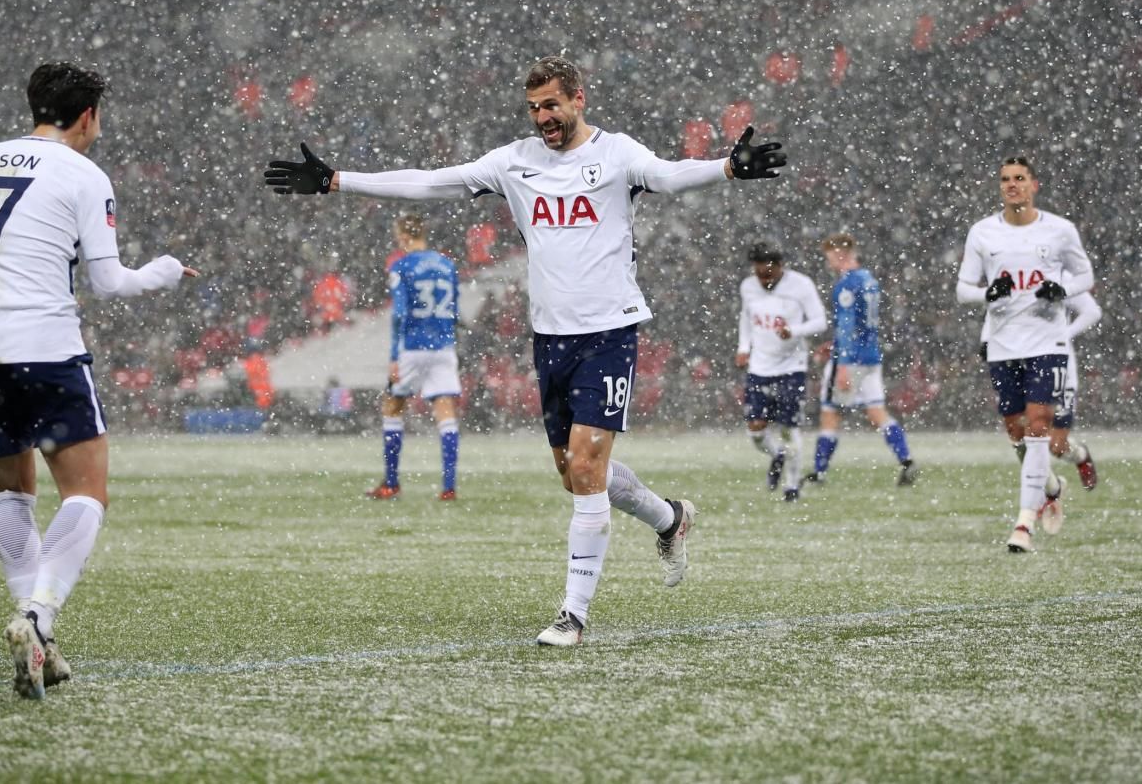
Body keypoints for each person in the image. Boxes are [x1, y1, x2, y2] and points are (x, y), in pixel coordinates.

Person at [266, 55, 787, 646]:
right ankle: (671, 518)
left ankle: (574, 614)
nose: (544, 118)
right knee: (575, 476)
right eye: (535, 108)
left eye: (552, 106)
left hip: (610, 333)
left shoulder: (617, 155)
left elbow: (667, 175)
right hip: (551, 338)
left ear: (578, 99)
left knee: (588, 469)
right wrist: (339, 180)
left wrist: (727, 168)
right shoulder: (514, 163)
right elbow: (433, 182)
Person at [0, 62, 196, 698]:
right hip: (47, 346)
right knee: (86, 492)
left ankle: (41, 641)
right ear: (87, 117)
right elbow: (111, 283)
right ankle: (37, 616)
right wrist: (162, 270)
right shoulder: (85, 173)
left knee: (13, 490)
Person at [956, 156, 1094, 553]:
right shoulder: (982, 233)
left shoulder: (1059, 230)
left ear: (1034, 184)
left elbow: (1085, 275)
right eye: (1005, 179)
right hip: (1003, 344)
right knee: (1016, 432)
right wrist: (987, 293)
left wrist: (1062, 290)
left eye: (1019, 178)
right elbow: (964, 287)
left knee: (1038, 427)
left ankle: (1023, 524)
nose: (1012, 185)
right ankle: (1050, 486)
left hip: (1046, 343)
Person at [982, 290, 1101, 537]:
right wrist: (987, 340)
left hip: (1057, 368)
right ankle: (1050, 489)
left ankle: (1079, 455)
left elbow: (1091, 310)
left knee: (1056, 445)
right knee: (1023, 435)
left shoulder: (1058, 275)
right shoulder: (1013, 274)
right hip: (1020, 365)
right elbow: (995, 311)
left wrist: (1062, 335)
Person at [365, 213, 462, 501]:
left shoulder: (402, 266)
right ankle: (448, 487)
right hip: (443, 345)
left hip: (413, 345)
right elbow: (455, 309)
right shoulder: (447, 265)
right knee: (445, 413)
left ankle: (392, 482)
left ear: (404, 237)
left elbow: (399, 314)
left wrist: (394, 356)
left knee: (393, 407)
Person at [809, 232, 918, 487]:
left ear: (840, 254)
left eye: (830, 257)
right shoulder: (869, 280)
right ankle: (907, 461)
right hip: (871, 355)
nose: (829, 263)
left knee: (830, 414)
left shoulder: (846, 285)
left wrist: (843, 364)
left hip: (850, 359)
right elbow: (862, 323)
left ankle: (819, 473)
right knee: (877, 412)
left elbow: (847, 326)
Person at [735, 242, 827, 502]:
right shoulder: (748, 287)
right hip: (759, 366)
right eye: (758, 273)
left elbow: (820, 321)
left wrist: (794, 331)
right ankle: (778, 454)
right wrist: (744, 347)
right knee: (755, 430)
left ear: (779, 267)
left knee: (789, 427)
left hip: (791, 367)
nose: (763, 279)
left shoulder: (801, 285)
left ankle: (792, 485)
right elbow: (746, 317)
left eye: (768, 273)